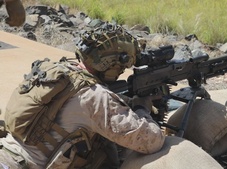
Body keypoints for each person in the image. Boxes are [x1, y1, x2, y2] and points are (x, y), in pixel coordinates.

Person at [0, 24, 165, 168]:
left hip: (7, 154)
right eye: (121, 67)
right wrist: (141, 108)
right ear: (110, 63)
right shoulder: (94, 97)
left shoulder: (58, 71)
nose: (121, 71)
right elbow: (151, 141)